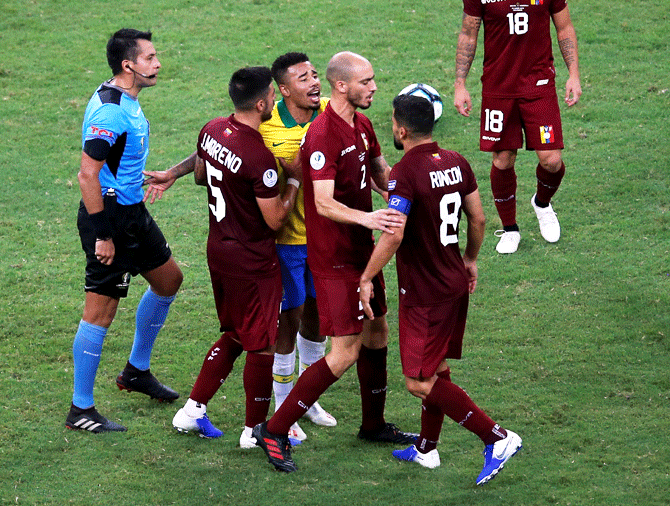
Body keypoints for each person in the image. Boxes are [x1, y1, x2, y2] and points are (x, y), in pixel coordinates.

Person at [253, 51, 416, 473]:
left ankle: (373, 424)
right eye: (366, 81)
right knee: (344, 351)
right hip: (336, 259)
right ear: (341, 85)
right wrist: (369, 217)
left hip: (364, 253)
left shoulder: (361, 124)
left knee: (377, 331)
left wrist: (394, 193)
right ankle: (275, 428)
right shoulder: (324, 134)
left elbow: (379, 169)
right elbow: (322, 203)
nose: (374, 87)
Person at [360, 94, 522, 485]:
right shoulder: (456, 161)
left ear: (400, 129)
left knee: (418, 380)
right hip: (454, 281)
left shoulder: (404, 171)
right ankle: (426, 450)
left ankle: (497, 437)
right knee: (437, 367)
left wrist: (366, 277)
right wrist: (470, 259)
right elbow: (479, 218)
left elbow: (394, 234)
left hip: (425, 293)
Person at [167, 66, 302, 442]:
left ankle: (192, 411)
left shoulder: (211, 129)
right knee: (261, 345)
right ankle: (254, 429)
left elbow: (198, 175)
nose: (275, 102)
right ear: (260, 104)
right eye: (273, 98)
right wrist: (293, 178)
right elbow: (275, 219)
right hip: (252, 260)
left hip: (219, 249)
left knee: (237, 334)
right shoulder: (258, 156)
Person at [65, 29, 183, 434]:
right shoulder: (111, 111)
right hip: (110, 218)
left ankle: (136, 371)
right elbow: (86, 176)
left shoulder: (125, 99)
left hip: (132, 212)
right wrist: (102, 234)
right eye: (150, 57)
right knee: (101, 311)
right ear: (128, 65)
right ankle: (81, 408)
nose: (157, 64)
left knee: (169, 280)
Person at [453, 0, 582, 254]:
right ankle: (510, 228)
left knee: (552, 160)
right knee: (503, 159)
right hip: (498, 87)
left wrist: (574, 74)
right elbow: (468, 34)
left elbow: (564, 27)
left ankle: (542, 204)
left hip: (539, 85)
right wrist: (460, 84)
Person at [259, 52, 336, 443]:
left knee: (319, 319)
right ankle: (284, 410)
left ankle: (308, 400)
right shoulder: (265, 121)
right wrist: (176, 172)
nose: (314, 82)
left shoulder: (331, 112)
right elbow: (222, 140)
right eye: (303, 78)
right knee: (288, 321)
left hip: (327, 238)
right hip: (287, 242)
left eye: (315, 74)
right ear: (284, 90)